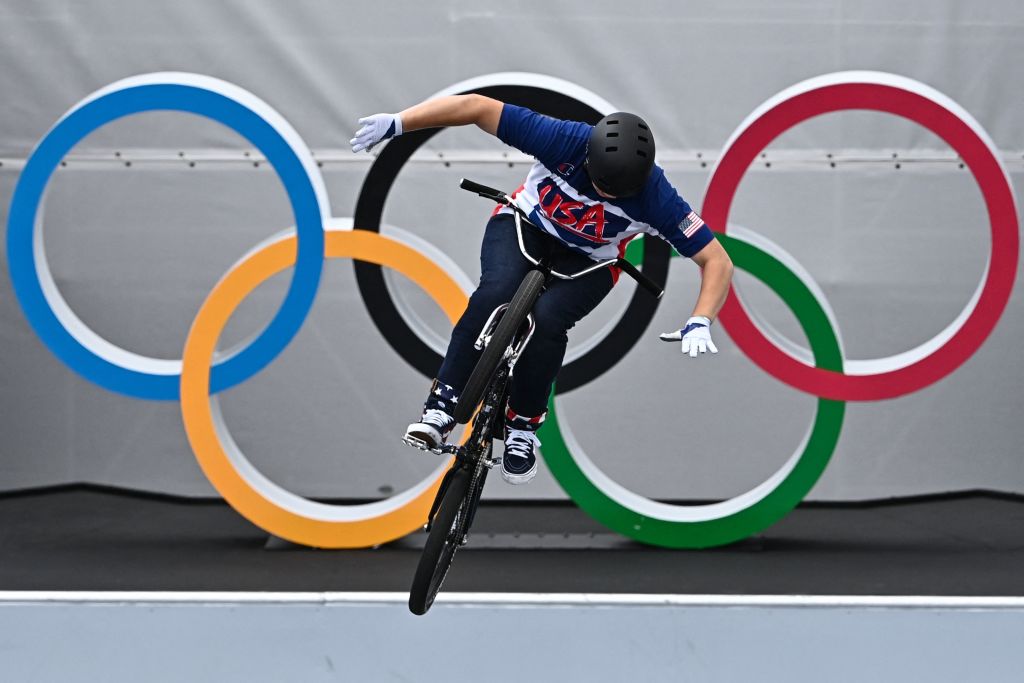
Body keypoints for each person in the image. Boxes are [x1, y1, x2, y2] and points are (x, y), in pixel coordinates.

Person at [350, 95, 733, 485]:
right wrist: (398, 123)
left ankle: (522, 429)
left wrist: (701, 319)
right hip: (525, 225)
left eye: (620, 195)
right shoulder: (562, 139)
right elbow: (477, 108)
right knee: (494, 293)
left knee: (548, 322)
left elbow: (716, 260)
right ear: (587, 160)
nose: (607, 196)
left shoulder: (658, 196)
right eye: (600, 185)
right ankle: (442, 406)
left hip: (590, 261)